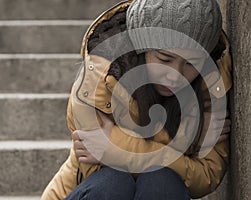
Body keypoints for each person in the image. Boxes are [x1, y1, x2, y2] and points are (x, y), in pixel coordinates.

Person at [42, 0, 232, 199]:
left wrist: (116, 148)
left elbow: (207, 176)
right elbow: (94, 163)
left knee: (163, 182)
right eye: (165, 59)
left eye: (192, 64)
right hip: (87, 191)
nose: (175, 76)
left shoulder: (209, 91)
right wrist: (190, 136)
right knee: (115, 181)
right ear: (142, 47)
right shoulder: (100, 79)